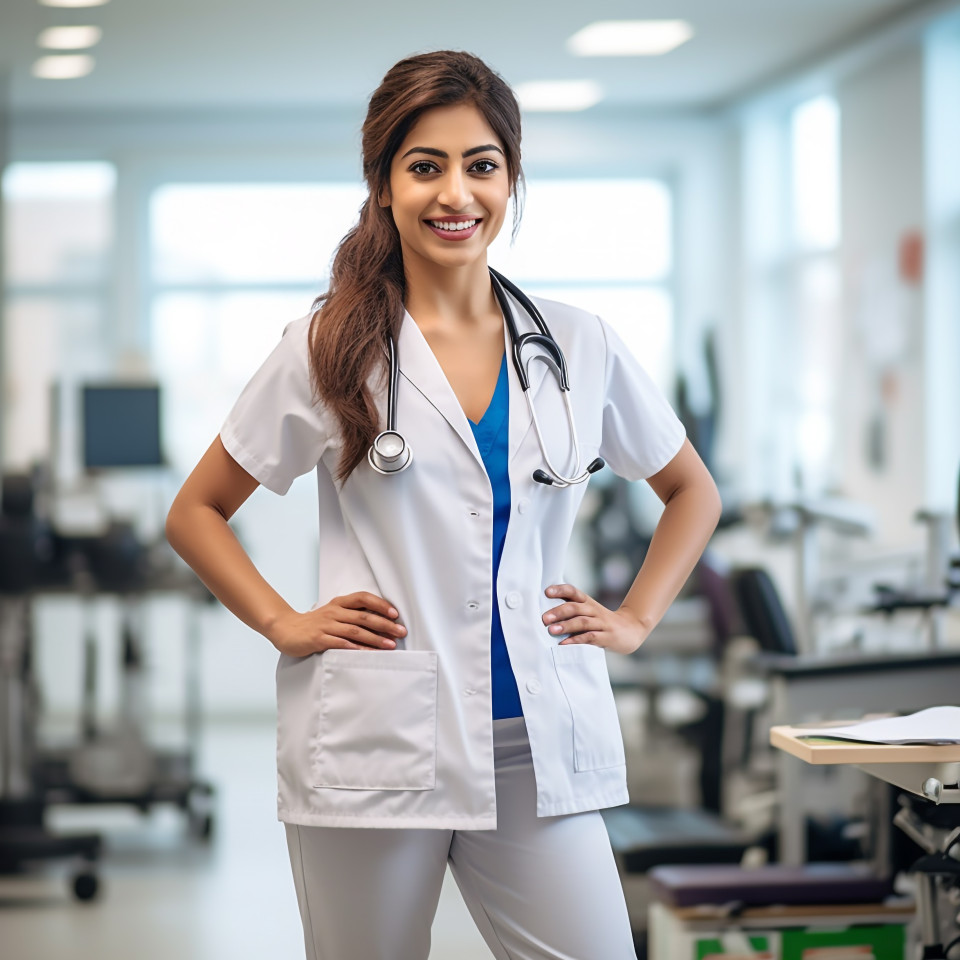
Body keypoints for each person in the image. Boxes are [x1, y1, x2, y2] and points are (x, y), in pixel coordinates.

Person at [166, 50, 721, 960]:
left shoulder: (579, 344)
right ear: (383, 185)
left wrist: (636, 618)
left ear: (510, 179)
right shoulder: (327, 346)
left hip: (534, 742)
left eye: (481, 164)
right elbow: (196, 510)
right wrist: (281, 621)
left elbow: (691, 489)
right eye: (424, 166)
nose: (454, 193)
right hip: (382, 741)